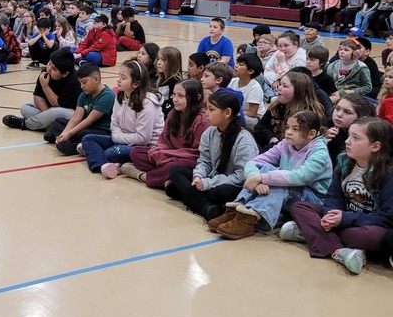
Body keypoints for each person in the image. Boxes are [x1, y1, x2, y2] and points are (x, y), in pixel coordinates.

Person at [288, 118, 393, 274]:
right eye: (349, 136)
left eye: (355, 138)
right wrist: (330, 214)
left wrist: (344, 219)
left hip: (367, 224)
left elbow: (387, 217)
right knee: (299, 206)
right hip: (343, 218)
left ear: (375, 146)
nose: (347, 141)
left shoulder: (388, 174)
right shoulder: (344, 161)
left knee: (372, 237)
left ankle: (310, 233)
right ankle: (340, 250)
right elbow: (333, 196)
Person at [211, 110, 332, 239]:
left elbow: (300, 177)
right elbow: (254, 162)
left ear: (311, 134)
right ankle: (237, 209)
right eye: (287, 127)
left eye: (295, 129)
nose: (289, 132)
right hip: (292, 194)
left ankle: (248, 219)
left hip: (314, 201)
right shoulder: (286, 144)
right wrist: (256, 180)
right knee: (268, 168)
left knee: (281, 180)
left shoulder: (320, 152)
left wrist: (262, 178)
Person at [165, 90, 259, 222]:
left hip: (231, 185)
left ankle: (196, 199)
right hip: (210, 179)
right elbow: (204, 160)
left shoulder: (244, 140)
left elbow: (242, 177)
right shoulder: (210, 132)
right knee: (175, 170)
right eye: (206, 108)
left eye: (211, 109)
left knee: (219, 193)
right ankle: (208, 208)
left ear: (227, 113)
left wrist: (208, 183)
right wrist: (198, 176)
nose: (206, 113)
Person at [80, 60, 163, 176]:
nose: (118, 79)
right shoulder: (120, 95)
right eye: (119, 75)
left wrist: (117, 138)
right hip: (121, 140)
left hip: (143, 147)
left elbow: (142, 138)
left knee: (112, 152)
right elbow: (114, 124)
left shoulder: (147, 103)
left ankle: (98, 156)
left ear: (135, 84)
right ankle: (103, 165)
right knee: (88, 139)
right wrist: (117, 137)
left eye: (123, 78)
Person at [122, 79, 209, 186]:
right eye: (174, 95)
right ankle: (167, 179)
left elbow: (197, 153)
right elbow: (164, 139)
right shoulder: (173, 113)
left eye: (180, 96)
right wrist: (160, 151)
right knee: (136, 152)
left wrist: (166, 155)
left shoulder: (202, 121)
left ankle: (143, 176)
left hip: (187, 159)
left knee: (174, 166)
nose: (175, 100)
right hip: (168, 155)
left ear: (197, 97)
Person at [44, 61, 114, 156]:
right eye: (80, 83)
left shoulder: (107, 96)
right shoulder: (84, 95)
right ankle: (67, 140)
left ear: (96, 79)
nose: (82, 86)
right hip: (87, 126)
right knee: (57, 123)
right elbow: (76, 118)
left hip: (101, 130)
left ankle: (75, 146)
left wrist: (69, 133)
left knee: (82, 133)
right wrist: (64, 133)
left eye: (84, 82)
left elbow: (89, 120)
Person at [2, 48, 80, 131]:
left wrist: (45, 86)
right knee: (25, 107)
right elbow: (37, 96)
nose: (49, 69)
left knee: (56, 112)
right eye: (49, 63)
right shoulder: (46, 71)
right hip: (50, 109)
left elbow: (57, 105)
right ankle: (46, 125)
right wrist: (46, 115)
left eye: (54, 69)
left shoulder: (74, 80)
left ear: (65, 74)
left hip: (72, 113)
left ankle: (25, 124)